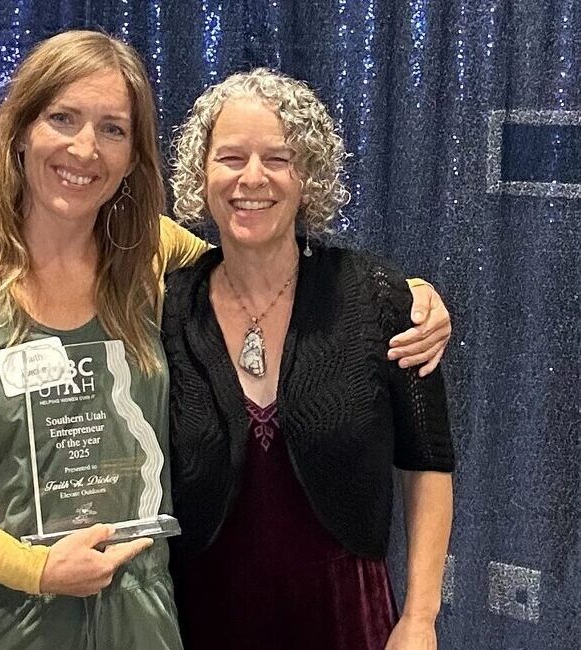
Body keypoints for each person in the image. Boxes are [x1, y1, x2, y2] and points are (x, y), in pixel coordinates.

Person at [0, 32, 450, 650]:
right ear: (20, 132)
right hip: (11, 618)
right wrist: (33, 568)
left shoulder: (150, 260)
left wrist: (411, 299)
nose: (85, 148)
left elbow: (257, 267)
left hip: (148, 619)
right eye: (62, 118)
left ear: (132, 156)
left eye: (113, 129)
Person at [163, 69, 454, 650]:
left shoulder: (377, 297)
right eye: (231, 157)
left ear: (309, 176)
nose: (252, 178)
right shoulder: (169, 306)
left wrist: (420, 617)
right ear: (201, 173)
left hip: (347, 619)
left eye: (278, 158)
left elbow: (428, 461)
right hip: (201, 618)